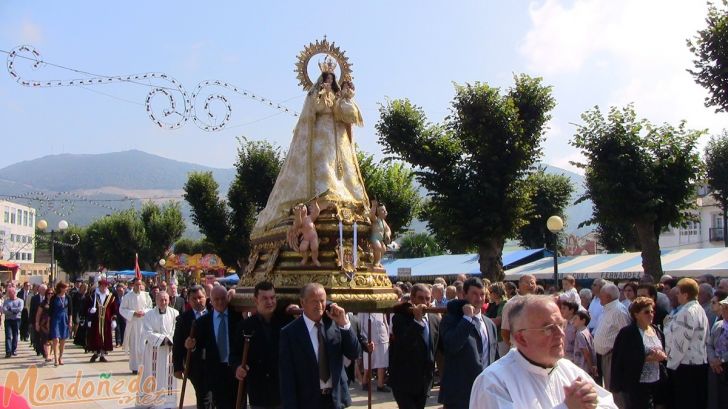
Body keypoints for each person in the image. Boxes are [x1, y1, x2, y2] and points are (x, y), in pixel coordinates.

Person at [251, 58, 370, 240]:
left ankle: (338, 196)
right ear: (321, 80)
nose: (329, 81)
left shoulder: (338, 98)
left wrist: (346, 97)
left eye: (332, 78)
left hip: (336, 140)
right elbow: (314, 109)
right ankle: (322, 196)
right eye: (326, 78)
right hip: (320, 137)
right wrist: (322, 94)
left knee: (338, 167)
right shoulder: (315, 95)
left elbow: (348, 115)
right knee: (322, 164)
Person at [470, 295, 617, 408]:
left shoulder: (569, 370)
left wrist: (593, 404)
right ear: (521, 338)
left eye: (561, 325)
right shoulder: (494, 382)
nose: (561, 334)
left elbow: (607, 403)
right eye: (548, 328)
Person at [278, 283, 361, 409]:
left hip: (335, 401)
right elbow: (287, 377)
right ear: (302, 302)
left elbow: (354, 353)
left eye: (322, 301)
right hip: (307, 402)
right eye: (314, 301)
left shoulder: (335, 324)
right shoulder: (290, 333)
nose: (319, 305)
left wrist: (344, 324)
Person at [231, 281, 296, 409]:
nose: (270, 302)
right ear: (256, 300)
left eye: (272, 298)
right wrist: (237, 367)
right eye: (265, 298)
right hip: (259, 392)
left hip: (283, 390)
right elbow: (234, 355)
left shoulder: (287, 321)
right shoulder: (245, 326)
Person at [439, 277, 498, 409]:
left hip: (486, 392)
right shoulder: (451, 320)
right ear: (464, 295)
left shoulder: (489, 324)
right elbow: (451, 346)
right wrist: (466, 319)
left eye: (482, 294)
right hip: (460, 395)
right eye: (474, 294)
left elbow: (495, 358)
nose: (479, 298)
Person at [185, 285, 242, 409]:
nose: (220, 302)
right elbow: (197, 348)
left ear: (227, 298)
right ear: (211, 301)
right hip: (214, 372)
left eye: (223, 298)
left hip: (234, 370)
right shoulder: (202, 322)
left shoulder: (238, 318)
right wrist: (192, 346)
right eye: (216, 299)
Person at [389, 284, 441, 409]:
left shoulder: (434, 319)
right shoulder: (400, 318)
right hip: (404, 381)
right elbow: (404, 343)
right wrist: (417, 321)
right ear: (412, 299)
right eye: (421, 298)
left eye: (428, 298)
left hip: (424, 382)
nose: (425, 302)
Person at [610, 296, 667, 409]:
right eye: (646, 312)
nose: (651, 314)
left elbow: (664, 350)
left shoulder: (656, 330)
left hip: (656, 380)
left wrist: (662, 356)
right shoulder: (628, 333)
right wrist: (648, 358)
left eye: (652, 311)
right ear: (636, 314)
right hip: (637, 382)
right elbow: (623, 358)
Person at [664, 277, 709, 409]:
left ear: (685, 294)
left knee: (685, 403)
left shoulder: (686, 312)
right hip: (699, 363)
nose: (676, 296)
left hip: (684, 366)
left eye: (678, 293)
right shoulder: (700, 309)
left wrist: (670, 365)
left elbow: (680, 343)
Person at [138, 292, 179, 409]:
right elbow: (147, 331)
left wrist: (169, 339)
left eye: (166, 300)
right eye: (161, 300)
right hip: (153, 351)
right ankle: (153, 401)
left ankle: (169, 402)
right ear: (156, 300)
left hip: (169, 350)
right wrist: (161, 339)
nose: (164, 302)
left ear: (169, 300)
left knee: (168, 375)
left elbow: (176, 329)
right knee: (152, 374)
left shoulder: (175, 313)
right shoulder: (149, 314)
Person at [173, 285, 210, 409]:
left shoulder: (215, 312)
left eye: (200, 297)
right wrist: (177, 367)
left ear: (206, 297)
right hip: (195, 365)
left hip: (215, 362)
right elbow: (177, 344)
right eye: (194, 298)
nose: (198, 301)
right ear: (188, 300)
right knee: (203, 397)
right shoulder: (183, 319)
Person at [593, 282, 631, 403]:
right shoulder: (608, 309)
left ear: (608, 297)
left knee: (615, 391)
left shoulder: (619, 311)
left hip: (613, 356)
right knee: (609, 389)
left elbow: (626, 335)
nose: (599, 297)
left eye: (601, 295)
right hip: (605, 356)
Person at [119, 278, 153, 374]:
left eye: (140, 284)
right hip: (133, 324)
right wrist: (133, 313)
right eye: (137, 284)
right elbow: (122, 309)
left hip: (143, 323)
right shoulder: (127, 296)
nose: (138, 286)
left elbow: (150, 307)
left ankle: (144, 366)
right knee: (134, 345)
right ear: (133, 285)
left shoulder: (145, 295)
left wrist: (144, 312)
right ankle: (135, 367)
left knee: (143, 345)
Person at [85, 279, 119, 362]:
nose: (103, 288)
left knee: (105, 337)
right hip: (96, 320)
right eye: (101, 286)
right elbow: (87, 307)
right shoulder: (93, 296)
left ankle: (102, 355)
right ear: (99, 286)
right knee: (96, 337)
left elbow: (114, 309)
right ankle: (96, 353)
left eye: (105, 286)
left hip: (106, 321)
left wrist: (114, 320)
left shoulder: (111, 297)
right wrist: (90, 311)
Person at [501, 274, 536, 347]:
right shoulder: (511, 304)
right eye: (526, 282)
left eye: (532, 283)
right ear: (519, 285)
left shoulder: (540, 304)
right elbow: (505, 332)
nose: (530, 285)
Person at [358, 311, 390, 392]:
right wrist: (364, 341)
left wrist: (387, 337)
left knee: (382, 363)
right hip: (369, 341)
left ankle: (380, 385)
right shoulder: (363, 313)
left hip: (382, 339)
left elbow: (385, 323)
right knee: (368, 364)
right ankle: (365, 382)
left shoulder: (380, 311)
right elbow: (360, 328)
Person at [707, 297, 728, 408]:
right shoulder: (718, 325)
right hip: (716, 367)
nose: (724, 310)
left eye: (727, 308)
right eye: (723, 307)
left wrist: (722, 359)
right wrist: (713, 359)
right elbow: (709, 344)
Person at [48, 282, 71, 366]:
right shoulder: (54, 298)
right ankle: (55, 358)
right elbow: (50, 311)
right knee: (56, 339)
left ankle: (60, 357)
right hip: (55, 319)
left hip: (64, 319)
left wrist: (70, 321)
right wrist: (48, 322)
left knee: (63, 340)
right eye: (66, 287)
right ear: (61, 288)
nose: (67, 289)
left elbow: (70, 311)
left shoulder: (68, 297)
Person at [572, 310, 597, 377]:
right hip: (586, 366)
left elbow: (586, 352)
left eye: (575, 318)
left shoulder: (580, 334)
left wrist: (591, 367)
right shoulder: (586, 331)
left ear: (583, 321)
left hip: (582, 366)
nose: (573, 320)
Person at [369, 200, 391, 268]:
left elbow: (388, 230)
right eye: (382, 210)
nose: (384, 211)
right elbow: (371, 215)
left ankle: (378, 261)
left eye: (385, 210)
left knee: (383, 249)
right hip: (375, 238)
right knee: (378, 247)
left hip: (380, 239)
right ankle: (376, 262)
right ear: (378, 212)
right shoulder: (376, 219)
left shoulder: (383, 222)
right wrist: (374, 206)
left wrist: (387, 235)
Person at [3, 287, 23, 358]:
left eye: (10, 293)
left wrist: (10, 309)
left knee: (15, 335)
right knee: (8, 336)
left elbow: (19, 309)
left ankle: (13, 350)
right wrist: (14, 311)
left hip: (17, 320)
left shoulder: (20, 301)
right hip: (8, 320)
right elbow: (4, 310)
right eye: (9, 293)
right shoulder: (6, 301)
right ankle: (8, 352)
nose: (9, 294)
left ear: (14, 293)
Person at [35, 287, 53, 363]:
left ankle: (50, 354)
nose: (50, 295)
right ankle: (47, 354)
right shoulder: (43, 303)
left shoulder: (55, 302)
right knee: (45, 339)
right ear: (46, 295)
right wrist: (37, 323)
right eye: (48, 293)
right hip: (44, 324)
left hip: (53, 323)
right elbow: (38, 314)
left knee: (53, 340)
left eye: (52, 293)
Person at [29, 284, 45, 356]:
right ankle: (38, 350)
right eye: (42, 289)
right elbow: (32, 310)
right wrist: (32, 322)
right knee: (37, 336)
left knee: (44, 336)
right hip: (36, 320)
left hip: (45, 321)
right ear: (39, 290)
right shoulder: (34, 298)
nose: (44, 291)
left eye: (45, 290)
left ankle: (43, 350)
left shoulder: (48, 298)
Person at [114, 283, 126, 347]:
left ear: (124, 290)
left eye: (121, 291)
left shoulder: (126, 297)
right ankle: (118, 342)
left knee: (123, 328)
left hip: (124, 315)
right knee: (117, 328)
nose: (120, 292)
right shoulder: (114, 297)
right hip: (117, 315)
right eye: (118, 291)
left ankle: (123, 342)